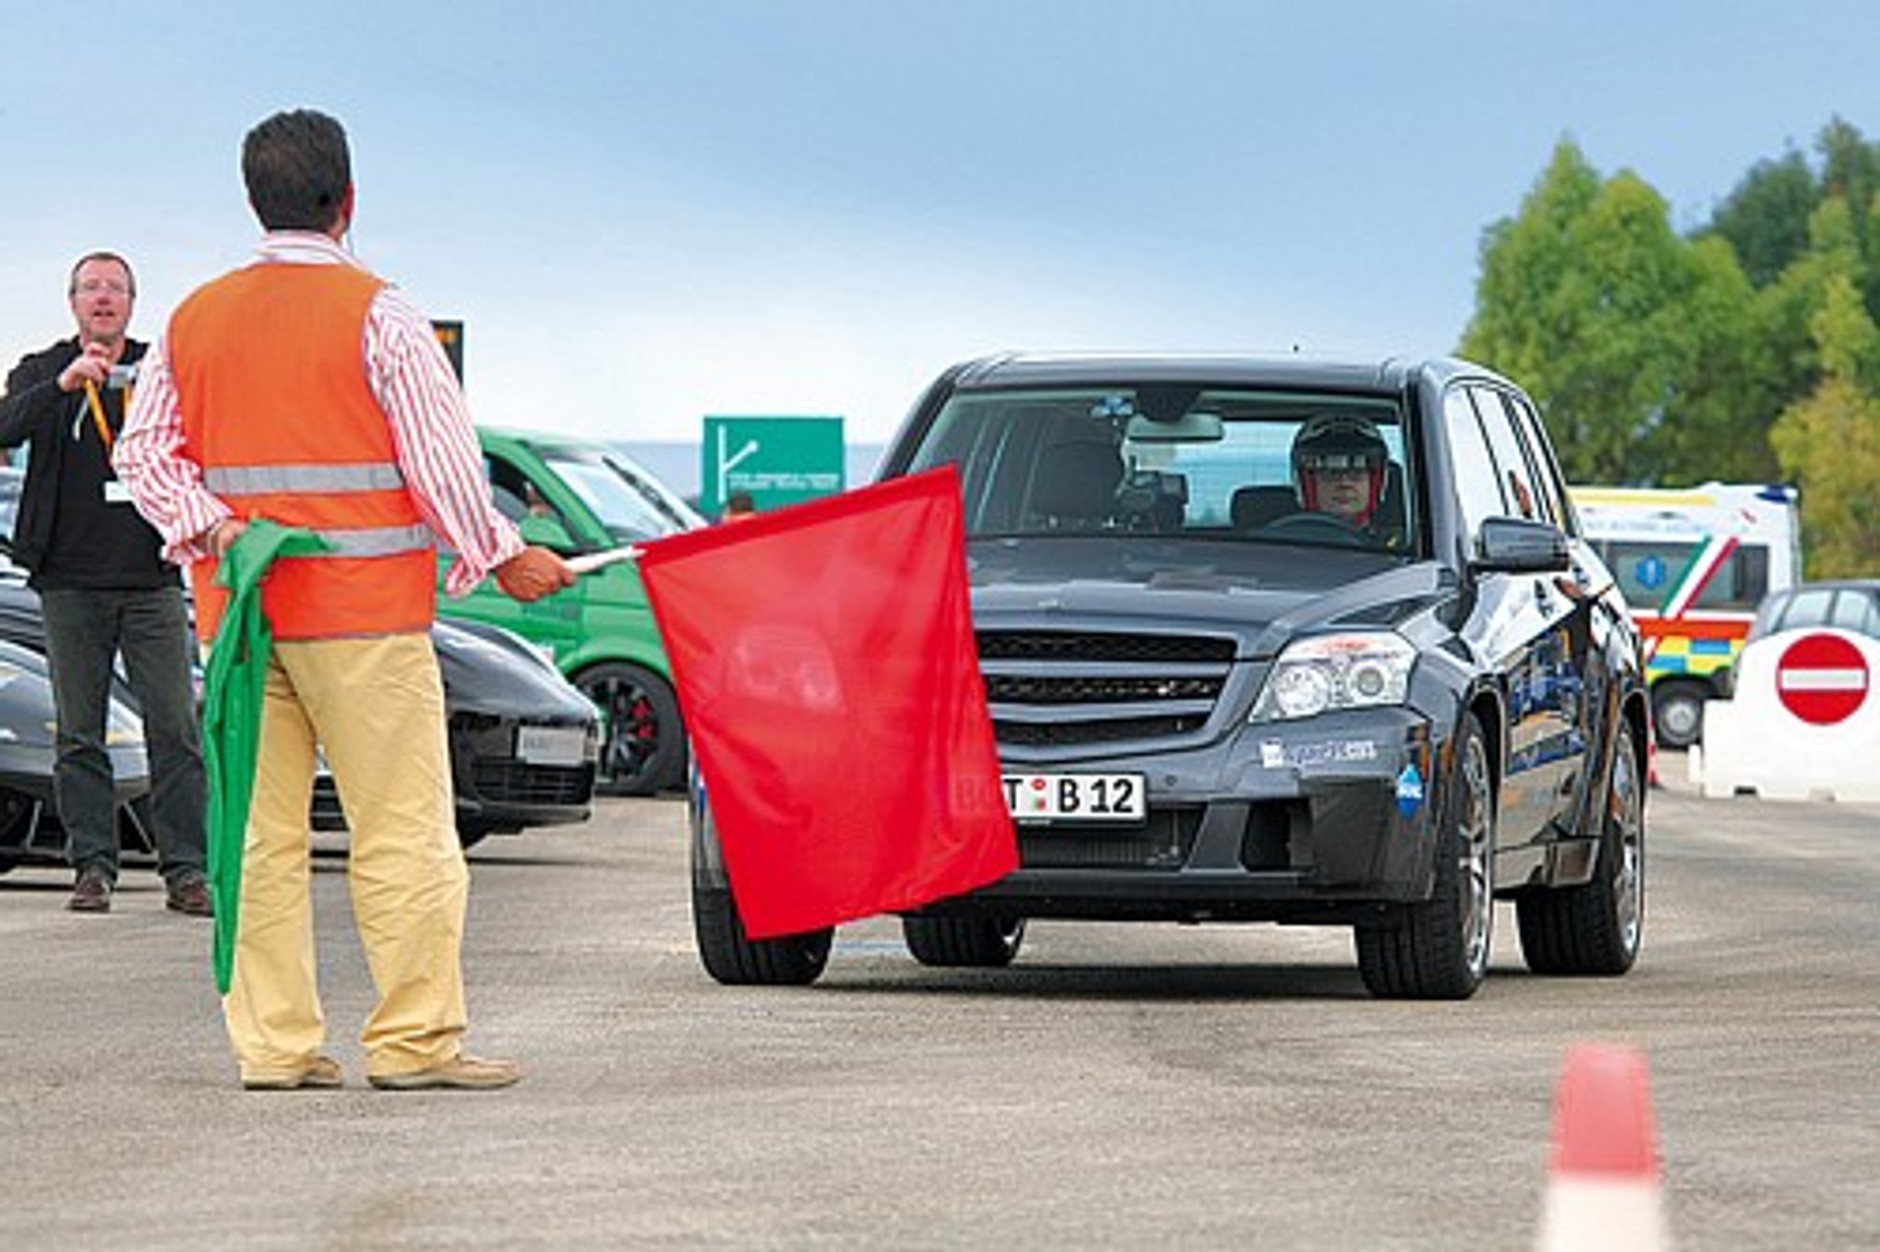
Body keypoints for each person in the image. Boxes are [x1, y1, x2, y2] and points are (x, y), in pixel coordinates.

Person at [115, 108, 575, 1092]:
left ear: (254, 201)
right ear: (347, 199)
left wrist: (216, 527)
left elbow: (142, 452)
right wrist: (504, 554)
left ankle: (274, 1050)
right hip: (364, 621)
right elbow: (442, 465)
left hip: (239, 625)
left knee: (261, 839)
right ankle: (413, 1043)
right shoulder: (383, 315)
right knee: (401, 830)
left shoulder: (195, 316)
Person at [0, 252, 211, 917]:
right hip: (68, 581)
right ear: (72, 302)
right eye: (91, 288)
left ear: (131, 303)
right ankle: (93, 867)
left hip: (151, 579)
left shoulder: (158, 369)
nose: (103, 298)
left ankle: (188, 873)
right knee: (79, 733)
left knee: (174, 729)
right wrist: (62, 386)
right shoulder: (42, 369)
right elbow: (5, 426)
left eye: (115, 289)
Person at [1289, 412, 1398, 541]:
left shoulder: (1401, 551)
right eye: (1331, 473)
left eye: (1357, 472)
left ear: (1376, 483)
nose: (1344, 483)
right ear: (1306, 484)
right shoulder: (1282, 545)